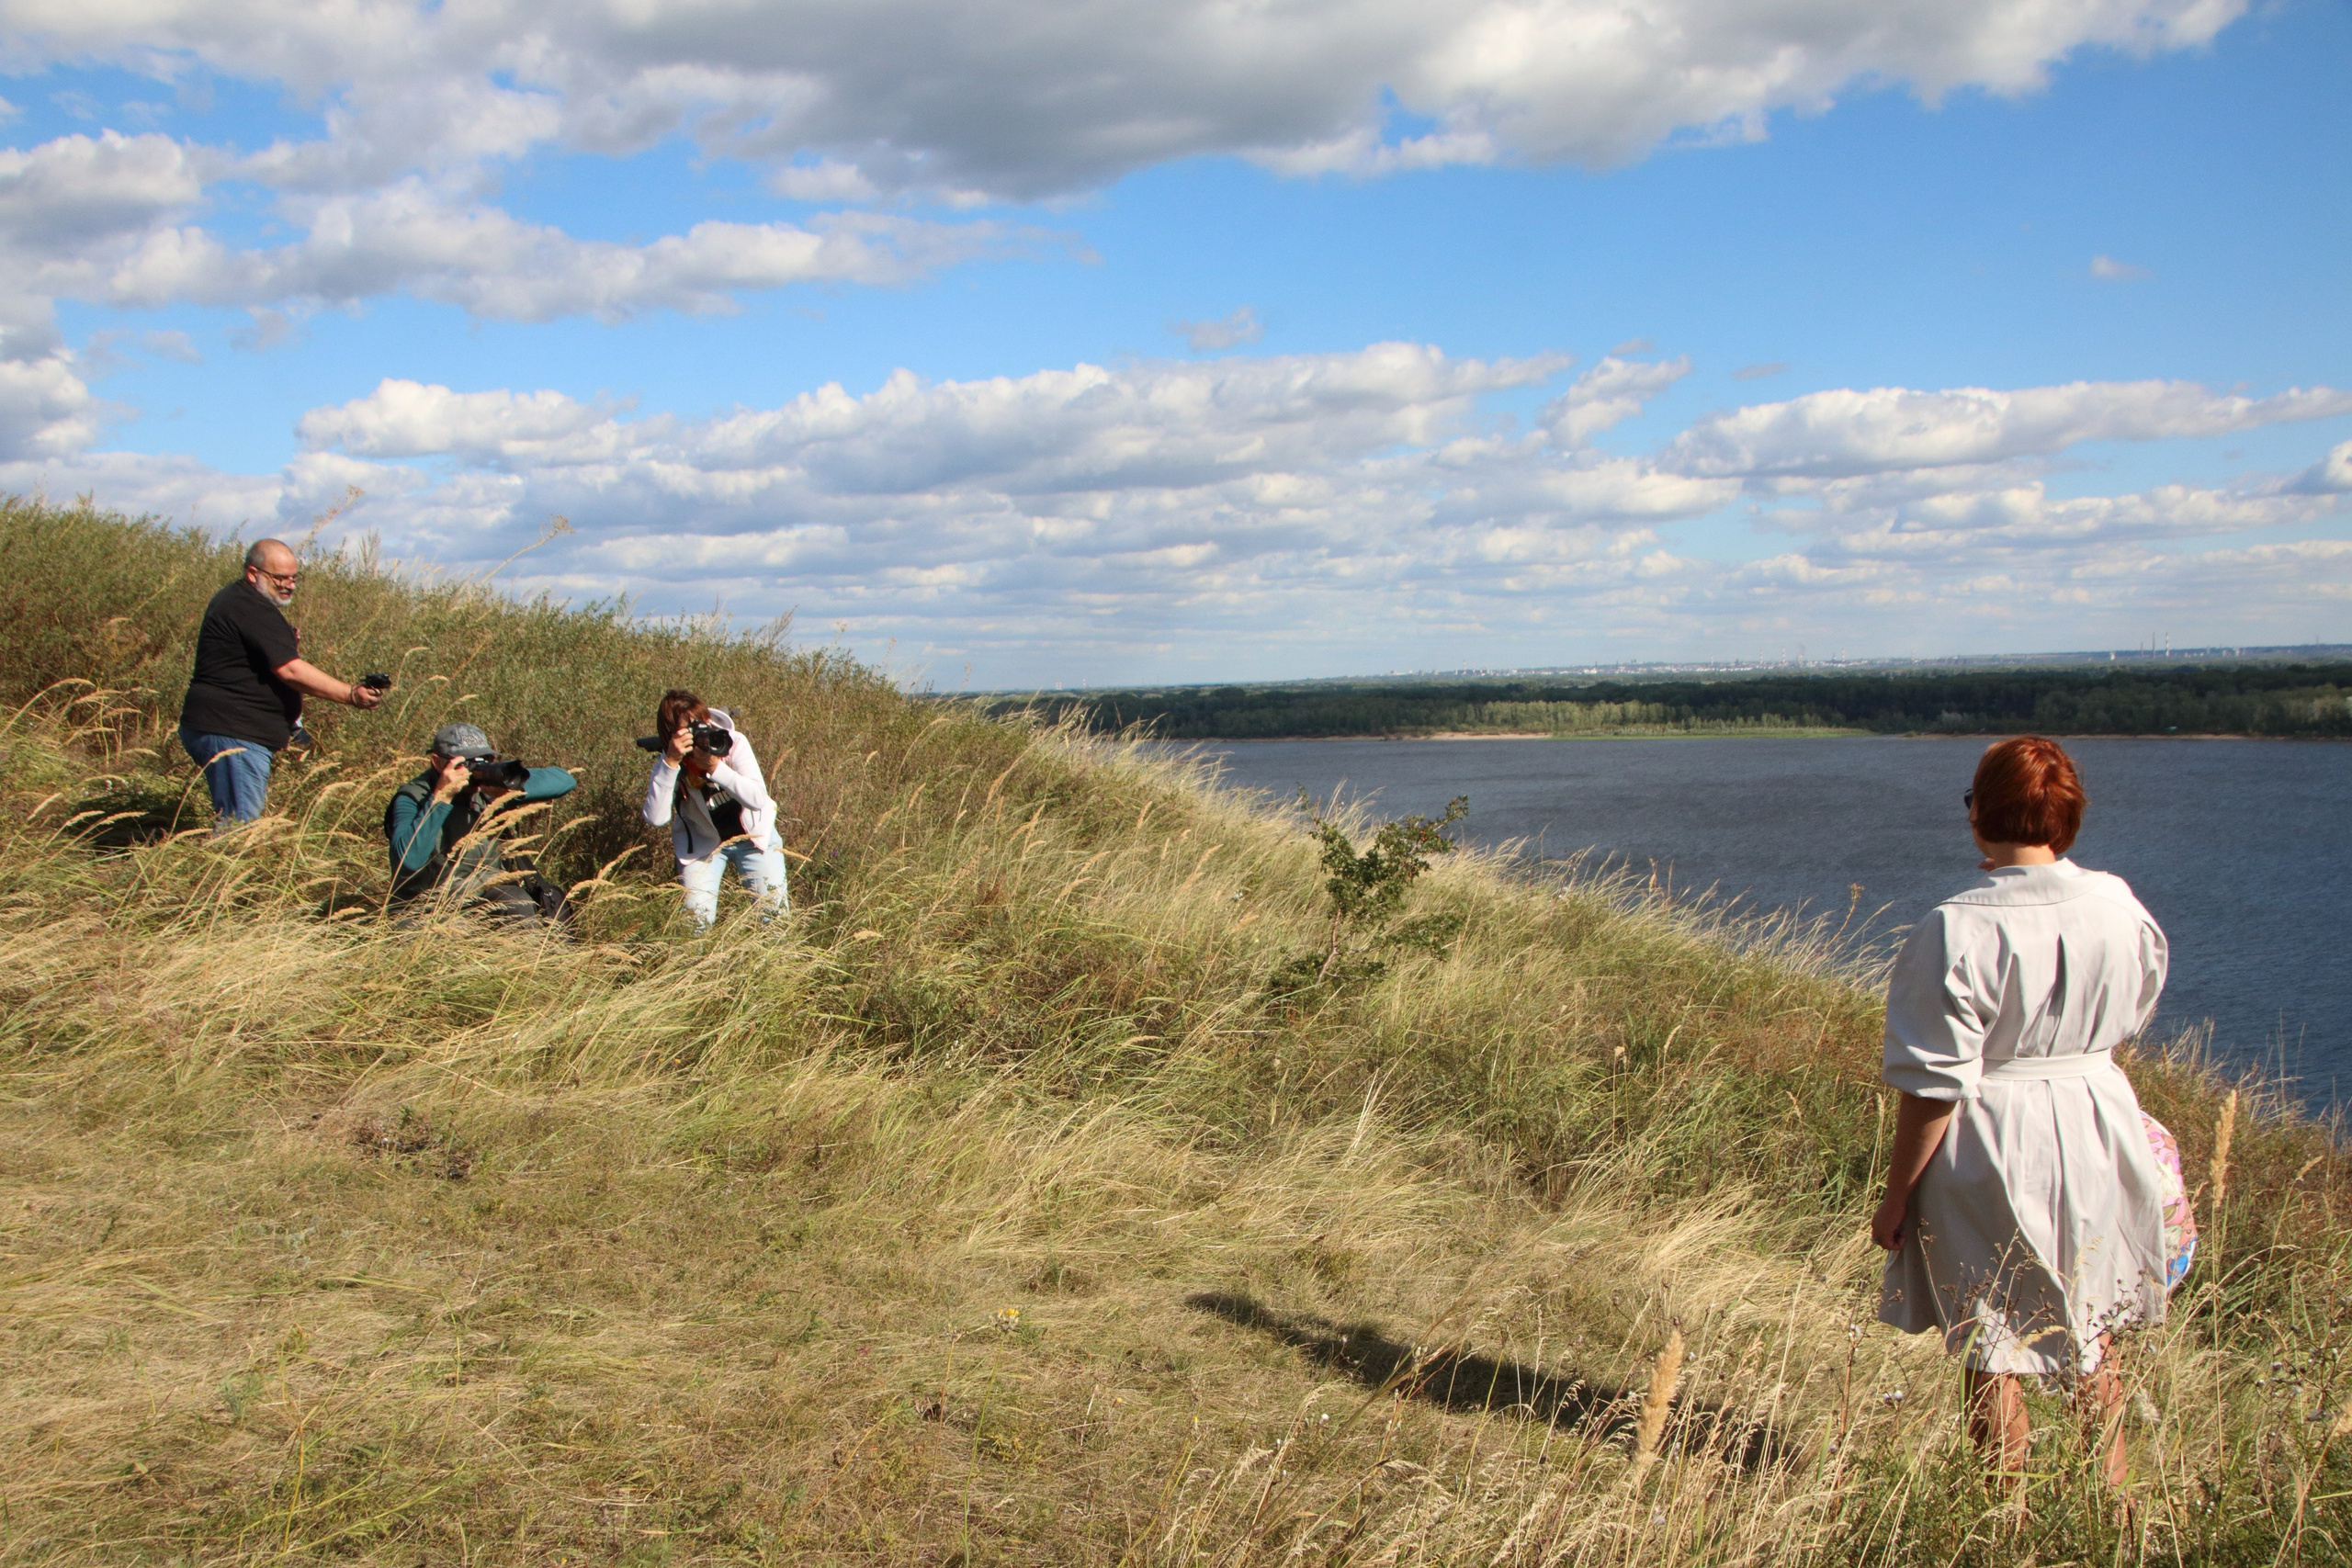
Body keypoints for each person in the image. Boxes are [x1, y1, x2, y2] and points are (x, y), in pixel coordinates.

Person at [1871, 736, 2169, 1491]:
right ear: (2067, 818)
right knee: (2093, 1332)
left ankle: (2004, 1516)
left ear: (1981, 815)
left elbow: (1934, 1084)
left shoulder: (1959, 924)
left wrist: (1897, 1192)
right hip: (2099, 1119)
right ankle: (2116, 1509)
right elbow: (2134, 1009)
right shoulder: (2118, 902)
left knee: (1993, 1339)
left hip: (1993, 1134)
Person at [177, 538, 385, 828]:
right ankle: (224, 872)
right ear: (253, 574)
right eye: (280, 578)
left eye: (293, 578)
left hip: (227, 729)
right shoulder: (248, 607)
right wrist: (351, 694)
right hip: (233, 732)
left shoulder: (240, 602)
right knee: (239, 828)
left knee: (236, 820)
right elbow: (290, 670)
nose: (289, 585)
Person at [384, 723, 577, 924]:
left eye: (486, 760)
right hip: (425, 907)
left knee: (517, 902)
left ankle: (524, 955)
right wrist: (441, 798)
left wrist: (511, 787)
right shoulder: (414, 797)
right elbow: (408, 861)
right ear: (438, 763)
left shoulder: (486, 791)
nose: (475, 770)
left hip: (482, 895)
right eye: (466, 763)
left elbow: (565, 780)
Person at [641, 689, 788, 927]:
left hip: (755, 837)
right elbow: (656, 818)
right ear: (672, 735)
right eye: (689, 730)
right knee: (694, 926)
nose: (701, 733)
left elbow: (757, 799)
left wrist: (715, 767)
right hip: (703, 846)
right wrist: (670, 763)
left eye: (703, 723)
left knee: (774, 922)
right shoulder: (668, 762)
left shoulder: (733, 742)